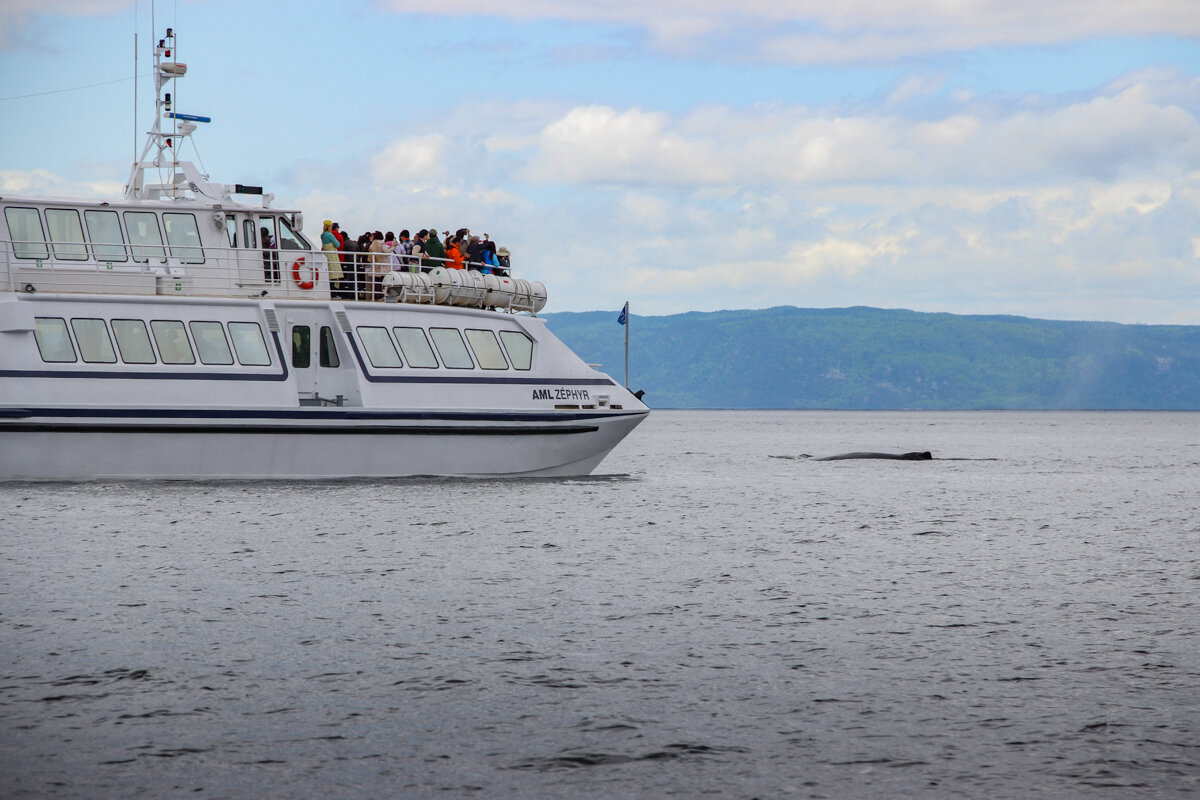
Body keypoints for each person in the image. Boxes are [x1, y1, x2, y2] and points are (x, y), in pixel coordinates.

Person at [320, 220, 344, 290]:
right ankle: (334, 292)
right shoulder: (330, 235)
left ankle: (330, 291)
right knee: (334, 274)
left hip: (326, 255)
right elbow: (337, 244)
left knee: (329, 273)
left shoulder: (323, 235)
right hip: (332, 256)